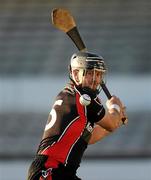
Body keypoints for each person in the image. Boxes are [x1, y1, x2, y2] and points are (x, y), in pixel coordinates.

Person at [27, 51, 128, 180]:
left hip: (60, 172)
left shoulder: (72, 95)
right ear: (75, 74)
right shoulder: (84, 98)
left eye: (98, 74)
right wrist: (115, 106)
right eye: (90, 73)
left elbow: (88, 138)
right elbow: (111, 123)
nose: (96, 79)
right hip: (51, 170)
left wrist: (117, 119)